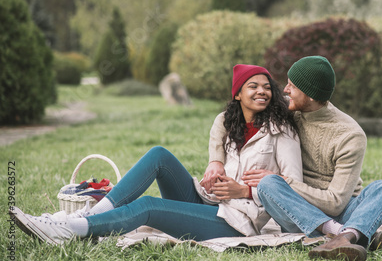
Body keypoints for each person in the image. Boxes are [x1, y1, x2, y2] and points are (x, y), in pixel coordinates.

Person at [10, 64, 302, 245]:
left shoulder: (282, 132)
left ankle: (71, 229)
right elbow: (219, 128)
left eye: (267, 87)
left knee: (149, 205)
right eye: (253, 86)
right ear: (238, 94)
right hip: (209, 202)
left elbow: (294, 189)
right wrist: (215, 166)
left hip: (236, 223)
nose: (262, 92)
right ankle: (95, 214)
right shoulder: (231, 123)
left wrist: (246, 190)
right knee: (159, 154)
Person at [208, 56, 382, 261]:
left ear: (309, 96)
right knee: (269, 183)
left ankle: (340, 237)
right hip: (295, 210)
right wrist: (215, 161)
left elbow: (335, 204)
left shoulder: (350, 135)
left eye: (292, 86)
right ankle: (352, 235)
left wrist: (284, 180)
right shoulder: (289, 114)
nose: (285, 91)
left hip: (341, 210)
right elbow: (225, 118)